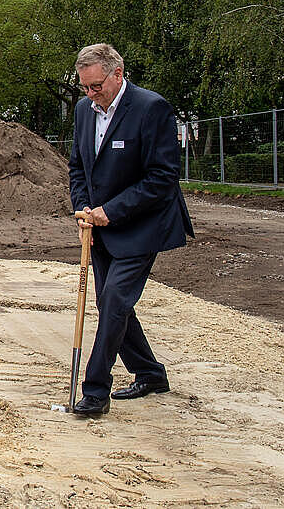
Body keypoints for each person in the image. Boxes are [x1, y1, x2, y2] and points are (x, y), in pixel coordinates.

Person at [68, 43, 193, 417]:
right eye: (85, 87)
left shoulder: (151, 108)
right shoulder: (83, 111)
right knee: (111, 302)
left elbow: (163, 178)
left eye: (96, 86)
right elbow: (78, 166)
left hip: (143, 223)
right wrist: (83, 209)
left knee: (116, 301)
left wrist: (112, 211)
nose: (91, 94)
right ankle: (150, 373)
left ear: (117, 75)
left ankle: (94, 390)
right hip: (100, 224)